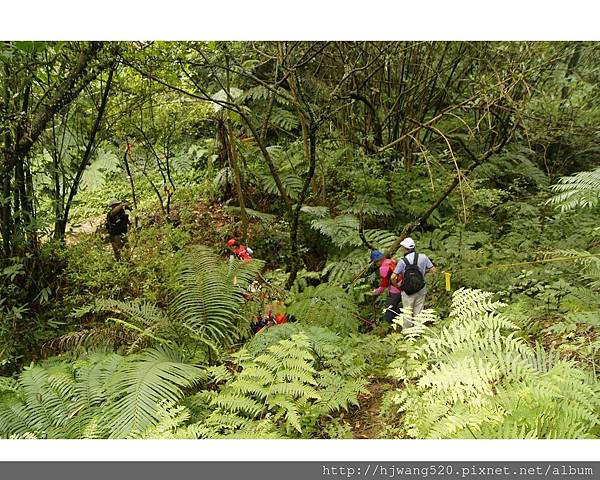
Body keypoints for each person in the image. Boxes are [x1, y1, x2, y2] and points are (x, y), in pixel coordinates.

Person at [390, 237, 437, 327]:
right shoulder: (423, 257)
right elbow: (434, 270)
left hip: (407, 291)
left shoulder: (402, 262)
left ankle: (408, 335)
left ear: (405, 249)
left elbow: (393, 277)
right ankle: (418, 333)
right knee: (418, 312)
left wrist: (397, 285)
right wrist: (422, 273)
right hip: (421, 289)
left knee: (407, 313)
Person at [370, 250, 403, 323]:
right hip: (403, 286)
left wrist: (376, 292)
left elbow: (384, 285)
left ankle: (389, 326)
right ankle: (400, 321)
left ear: (377, 261)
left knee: (389, 309)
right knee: (394, 307)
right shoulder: (391, 261)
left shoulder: (383, 268)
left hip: (396, 290)